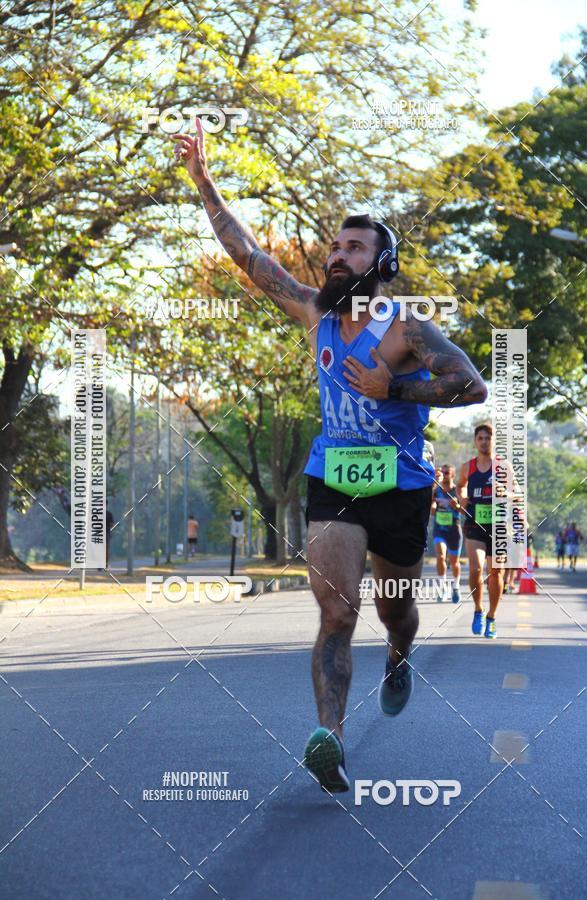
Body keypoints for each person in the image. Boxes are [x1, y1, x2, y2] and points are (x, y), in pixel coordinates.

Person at [172, 118, 487, 793]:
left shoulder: (406, 327)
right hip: (335, 477)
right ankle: (331, 742)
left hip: (401, 485)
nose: (336, 256)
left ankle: (399, 656)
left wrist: (397, 385)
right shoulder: (316, 311)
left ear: (381, 262)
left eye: (353, 248)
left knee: (393, 609)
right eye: (335, 247)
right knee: (338, 612)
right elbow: (252, 259)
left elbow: (471, 384)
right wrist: (205, 185)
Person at [456, 423, 504, 640]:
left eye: (488, 438)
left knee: (496, 574)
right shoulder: (468, 467)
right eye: (481, 438)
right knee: (475, 568)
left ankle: (492, 617)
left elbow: (517, 495)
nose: (484, 442)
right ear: (476, 442)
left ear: (494, 441)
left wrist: (506, 493)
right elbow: (459, 485)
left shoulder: (503, 467)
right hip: (475, 523)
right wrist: (462, 497)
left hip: (498, 526)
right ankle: (478, 609)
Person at [430, 464, 462, 603]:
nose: (445, 474)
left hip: (454, 529)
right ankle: (442, 589)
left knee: (454, 562)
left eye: (447, 472)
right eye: (443, 472)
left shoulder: (458, 491)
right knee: (441, 556)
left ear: (453, 475)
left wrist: (458, 506)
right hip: (439, 529)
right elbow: (431, 507)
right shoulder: (436, 491)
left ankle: (456, 586)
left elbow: (464, 511)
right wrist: (432, 507)